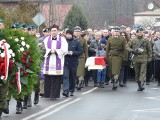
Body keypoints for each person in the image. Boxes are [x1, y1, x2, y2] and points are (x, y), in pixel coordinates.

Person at [43, 24, 68, 100]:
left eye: (55, 31)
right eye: (52, 31)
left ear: (58, 31)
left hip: (58, 61)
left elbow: (65, 49)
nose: (54, 32)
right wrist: (50, 51)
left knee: (56, 79)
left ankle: (55, 95)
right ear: (50, 32)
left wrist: (56, 51)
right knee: (48, 78)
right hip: (48, 61)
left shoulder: (62, 40)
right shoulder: (46, 39)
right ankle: (48, 94)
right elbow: (43, 49)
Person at [127, 26, 152, 91]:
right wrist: (132, 50)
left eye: (141, 32)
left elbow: (149, 50)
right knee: (137, 72)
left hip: (144, 57)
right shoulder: (133, 40)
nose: (140, 33)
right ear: (136, 33)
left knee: (143, 71)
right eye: (139, 32)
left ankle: (142, 83)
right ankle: (139, 84)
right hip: (136, 57)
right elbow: (127, 47)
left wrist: (149, 58)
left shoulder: (146, 40)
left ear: (143, 33)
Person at [62, 29, 82, 97]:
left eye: (69, 34)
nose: (68, 35)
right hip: (65, 62)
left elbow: (80, 51)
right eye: (67, 34)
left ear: (72, 34)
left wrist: (72, 52)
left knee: (73, 77)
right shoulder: (63, 41)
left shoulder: (76, 41)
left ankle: (71, 89)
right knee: (65, 76)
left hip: (73, 62)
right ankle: (66, 90)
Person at [74, 26, 88, 90]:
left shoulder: (83, 40)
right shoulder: (72, 39)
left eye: (78, 32)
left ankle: (80, 82)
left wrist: (86, 60)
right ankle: (76, 83)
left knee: (80, 71)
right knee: (75, 71)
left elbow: (86, 50)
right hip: (73, 57)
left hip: (81, 57)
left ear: (80, 32)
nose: (77, 33)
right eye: (76, 31)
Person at [0, 19, 9, 118]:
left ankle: (2, 106)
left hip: (5, 66)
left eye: (1, 24)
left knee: (3, 89)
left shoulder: (7, 36)